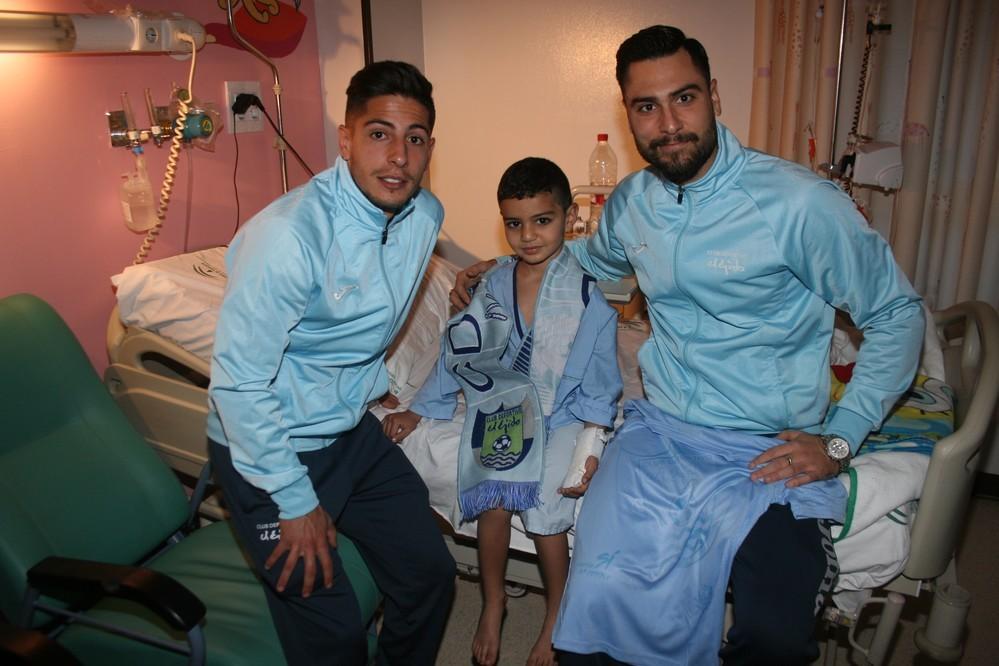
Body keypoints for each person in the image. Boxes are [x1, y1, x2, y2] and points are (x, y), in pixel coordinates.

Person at [452, 26, 924, 665]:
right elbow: (588, 259)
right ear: (628, 117)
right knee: (596, 608)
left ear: (715, 96)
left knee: (776, 634)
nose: (669, 123)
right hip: (663, 434)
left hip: (770, 447)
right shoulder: (633, 204)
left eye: (685, 98)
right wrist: (499, 268)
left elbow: (898, 314)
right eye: (647, 107)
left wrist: (840, 438)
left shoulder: (799, 204)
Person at [207, 60, 456, 666]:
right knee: (334, 637)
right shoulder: (289, 238)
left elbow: (370, 315)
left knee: (431, 578)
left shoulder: (424, 217)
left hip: (347, 432)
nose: (398, 155)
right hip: (269, 448)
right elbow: (238, 386)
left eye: (414, 138)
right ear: (345, 139)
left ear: (429, 148)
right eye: (379, 134)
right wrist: (293, 500)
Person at [383, 157, 622, 666]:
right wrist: (425, 409)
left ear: (566, 217)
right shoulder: (492, 284)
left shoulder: (585, 294)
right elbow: (462, 348)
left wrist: (591, 442)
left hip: (563, 413)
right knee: (493, 501)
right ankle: (493, 604)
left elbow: (602, 378)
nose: (528, 235)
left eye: (542, 220)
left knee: (545, 511)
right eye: (514, 223)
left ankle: (556, 613)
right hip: (506, 404)